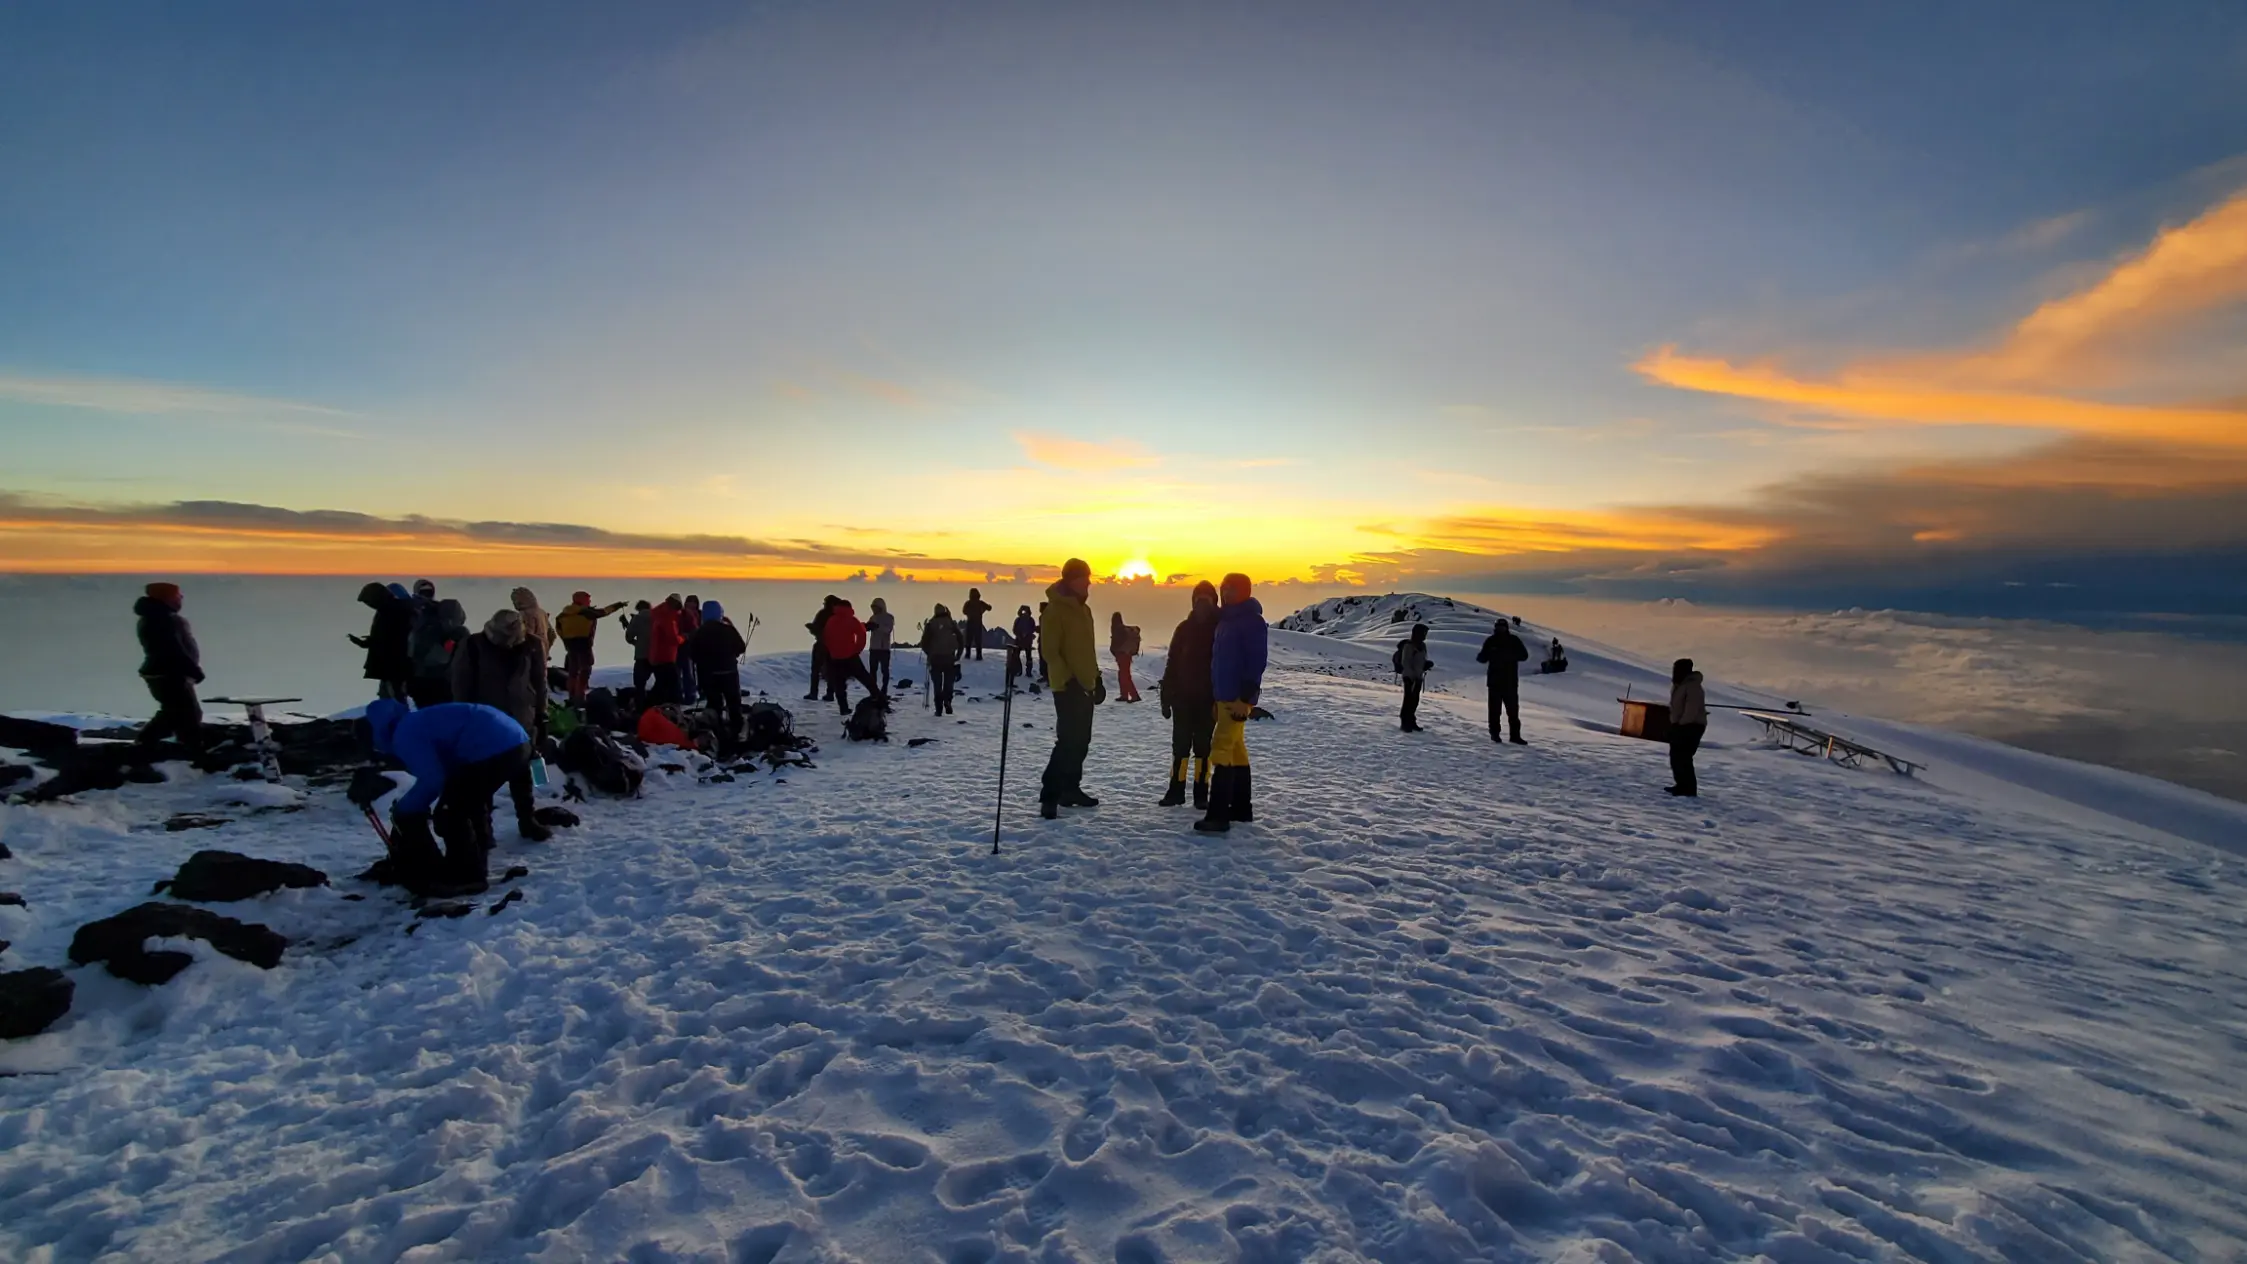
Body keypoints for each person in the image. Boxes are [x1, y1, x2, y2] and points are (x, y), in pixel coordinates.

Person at [365, 697, 529, 894]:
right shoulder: (416, 722)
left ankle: (468, 878)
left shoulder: (404, 733)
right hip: (515, 740)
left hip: (494, 748)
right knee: (465, 803)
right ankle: (475, 861)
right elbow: (448, 775)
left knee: (450, 813)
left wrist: (407, 808)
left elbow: (433, 778)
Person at [449, 609, 551, 841]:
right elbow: (461, 684)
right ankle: (483, 829)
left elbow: (539, 681)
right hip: (486, 720)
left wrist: (542, 715)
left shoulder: (532, 644)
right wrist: (464, 718)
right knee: (483, 777)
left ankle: (527, 820)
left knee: (522, 772)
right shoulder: (473, 645)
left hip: (522, 718)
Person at [1195, 574, 1269, 833]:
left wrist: (1244, 698)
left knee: (1221, 749)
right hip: (1225, 696)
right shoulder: (1226, 620)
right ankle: (1240, 808)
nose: (1226, 594)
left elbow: (1256, 662)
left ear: (1245, 592)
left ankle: (1218, 815)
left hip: (1237, 698)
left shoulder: (1251, 622)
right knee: (1236, 751)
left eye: (1232, 590)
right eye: (1224, 589)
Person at [1038, 558, 1103, 819]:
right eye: (1083, 578)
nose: (1088, 582)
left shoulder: (1084, 610)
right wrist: (1069, 680)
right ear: (1070, 580)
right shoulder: (1055, 610)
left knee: (1082, 741)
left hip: (1085, 685)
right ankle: (1050, 795)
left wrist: (1096, 679)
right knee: (1067, 741)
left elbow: (1086, 651)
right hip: (1067, 687)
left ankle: (1070, 789)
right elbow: (1050, 652)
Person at [1157, 581, 1219, 808]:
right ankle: (1176, 791)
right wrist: (1166, 695)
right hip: (1182, 699)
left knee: (1203, 749)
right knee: (1180, 748)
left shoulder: (1219, 630)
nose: (1202, 603)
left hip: (1208, 700)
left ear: (1214, 602)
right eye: (1198, 599)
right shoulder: (1183, 629)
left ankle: (1201, 794)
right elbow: (1172, 662)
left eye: (1206, 599)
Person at [133, 581, 205, 751]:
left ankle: (181, 746)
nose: (181, 597)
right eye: (177, 595)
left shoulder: (156, 617)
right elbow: (172, 648)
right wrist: (193, 670)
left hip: (165, 672)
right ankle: (188, 750)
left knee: (176, 712)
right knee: (186, 714)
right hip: (170, 673)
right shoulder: (163, 619)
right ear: (166, 597)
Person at [688, 599, 747, 744]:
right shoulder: (728, 629)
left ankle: (716, 733)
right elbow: (741, 647)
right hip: (729, 672)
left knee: (714, 704)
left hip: (708, 675)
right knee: (733, 703)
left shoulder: (699, 632)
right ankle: (736, 733)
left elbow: (692, 654)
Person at [556, 592, 628, 704]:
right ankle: (580, 697)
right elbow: (604, 612)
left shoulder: (562, 615)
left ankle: (572, 696)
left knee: (573, 672)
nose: (589, 602)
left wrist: (566, 641)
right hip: (584, 644)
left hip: (570, 645)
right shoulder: (586, 612)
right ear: (582, 600)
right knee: (585, 671)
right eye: (588, 599)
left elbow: (559, 630)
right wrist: (618, 605)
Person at [351, 582, 415, 700]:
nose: (370, 605)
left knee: (395, 697)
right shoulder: (388, 610)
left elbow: (393, 640)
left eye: (369, 602)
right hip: (390, 667)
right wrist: (367, 642)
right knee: (389, 695)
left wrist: (371, 643)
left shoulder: (393, 612)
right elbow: (384, 637)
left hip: (394, 667)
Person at [822, 597, 883, 715]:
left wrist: (832, 651)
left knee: (839, 685)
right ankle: (879, 699)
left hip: (836, 657)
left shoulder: (831, 620)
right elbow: (861, 634)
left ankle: (843, 708)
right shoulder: (852, 620)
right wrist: (856, 650)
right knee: (866, 679)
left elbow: (826, 637)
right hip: (850, 656)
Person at [407, 598, 469, 708]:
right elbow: (441, 657)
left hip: (423, 682)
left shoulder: (425, 628)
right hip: (435, 683)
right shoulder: (432, 631)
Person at [1476, 618, 1530, 745]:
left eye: (1502, 627)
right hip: (1494, 682)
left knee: (1513, 711)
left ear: (1506, 628)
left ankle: (1515, 736)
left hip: (1510, 682)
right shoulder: (1491, 641)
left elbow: (1524, 656)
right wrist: (1488, 655)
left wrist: (1508, 656)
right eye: (1498, 627)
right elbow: (1482, 657)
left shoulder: (1514, 640)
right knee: (1494, 711)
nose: (1500, 629)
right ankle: (1495, 734)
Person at [1668, 658, 1708, 797]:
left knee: (1683, 757)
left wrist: (1681, 725)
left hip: (1692, 726)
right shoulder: (1679, 685)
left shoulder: (1692, 686)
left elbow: (1691, 709)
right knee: (1675, 756)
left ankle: (1689, 789)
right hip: (1680, 725)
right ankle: (1681, 785)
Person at [511, 587, 556, 705]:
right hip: (542, 652)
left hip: (529, 654)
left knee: (528, 684)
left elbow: (526, 636)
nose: (514, 603)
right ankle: (543, 707)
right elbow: (552, 634)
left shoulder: (524, 615)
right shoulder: (542, 612)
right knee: (542, 683)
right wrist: (546, 649)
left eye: (515, 600)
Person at [920, 603, 963, 715]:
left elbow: (924, 642)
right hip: (949, 657)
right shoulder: (951, 623)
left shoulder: (931, 624)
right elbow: (961, 639)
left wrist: (929, 653)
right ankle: (947, 700)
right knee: (949, 682)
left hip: (935, 658)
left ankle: (938, 708)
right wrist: (958, 655)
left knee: (937, 684)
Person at [646, 595, 686, 704]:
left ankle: (650, 705)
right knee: (672, 684)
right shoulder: (668, 618)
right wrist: (683, 638)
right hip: (666, 657)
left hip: (656, 656)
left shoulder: (658, 613)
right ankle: (671, 705)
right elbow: (673, 639)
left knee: (661, 683)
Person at [1395, 623, 1433, 732]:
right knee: (1408, 700)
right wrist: (1410, 677)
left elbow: (1420, 661)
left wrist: (1425, 665)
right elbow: (1406, 662)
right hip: (1409, 677)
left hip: (1418, 677)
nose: (1425, 636)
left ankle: (1411, 721)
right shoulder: (1409, 646)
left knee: (1415, 700)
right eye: (1423, 633)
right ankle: (1405, 723)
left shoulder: (1422, 646)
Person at [805, 595, 841, 700]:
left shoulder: (823, 614)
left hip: (822, 645)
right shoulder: (838, 615)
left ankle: (814, 693)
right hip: (834, 646)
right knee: (831, 670)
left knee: (816, 669)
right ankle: (830, 694)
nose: (824, 604)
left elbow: (817, 628)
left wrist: (812, 628)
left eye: (825, 602)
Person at [623, 600, 655, 699]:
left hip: (642, 655)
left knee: (639, 683)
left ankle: (641, 702)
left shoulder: (637, 618)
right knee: (661, 681)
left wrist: (637, 644)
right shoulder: (658, 617)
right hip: (657, 654)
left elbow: (629, 637)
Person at [1110, 612, 1143, 703]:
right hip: (1126, 654)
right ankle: (1124, 695)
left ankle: (1133, 695)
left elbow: (1116, 643)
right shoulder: (1123, 629)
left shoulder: (1118, 630)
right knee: (1123, 675)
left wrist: (1114, 651)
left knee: (1124, 676)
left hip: (1122, 654)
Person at [866, 597, 896, 692]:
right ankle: (873, 690)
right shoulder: (873, 617)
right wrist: (867, 627)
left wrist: (877, 626)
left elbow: (888, 630)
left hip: (884, 648)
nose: (874, 610)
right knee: (872, 670)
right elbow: (869, 627)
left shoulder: (889, 617)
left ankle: (884, 689)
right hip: (874, 647)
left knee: (884, 670)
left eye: (875, 607)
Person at [677, 593, 703, 705]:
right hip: (682, 646)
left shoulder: (698, 614)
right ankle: (686, 694)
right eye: (689, 602)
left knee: (690, 672)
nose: (691, 605)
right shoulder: (682, 614)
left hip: (692, 646)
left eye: (693, 603)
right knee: (686, 671)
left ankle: (692, 693)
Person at [1008, 605, 1038, 690]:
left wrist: (1025, 635)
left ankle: (1026, 671)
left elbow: (1032, 629)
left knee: (1026, 656)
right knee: (1018, 656)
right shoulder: (1022, 620)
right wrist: (1021, 635)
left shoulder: (1028, 620)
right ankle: (1020, 670)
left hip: (1025, 641)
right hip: (1021, 641)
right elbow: (1015, 630)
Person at [962, 588, 992, 661]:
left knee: (968, 639)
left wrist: (970, 613)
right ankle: (979, 655)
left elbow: (964, 611)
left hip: (970, 622)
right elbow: (989, 608)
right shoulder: (980, 603)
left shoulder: (968, 603)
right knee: (978, 639)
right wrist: (982, 610)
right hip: (978, 623)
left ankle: (967, 654)